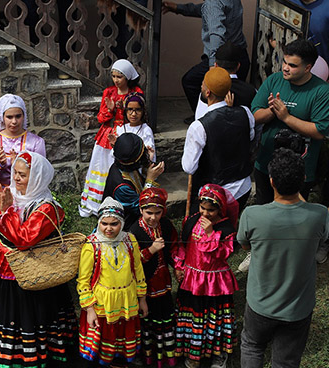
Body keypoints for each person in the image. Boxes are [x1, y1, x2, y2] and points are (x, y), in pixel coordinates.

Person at [0, 151, 77, 366]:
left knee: (25, 312)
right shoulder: (12, 193)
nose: (15, 179)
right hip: (0, 259)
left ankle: (25, 352)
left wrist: (7, 210)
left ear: (37, 178)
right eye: (15, 173)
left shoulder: (48, 208)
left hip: (31, 268)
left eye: (22, 175)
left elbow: (24, 239)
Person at [237, 148, 329, 368]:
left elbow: (244, 244)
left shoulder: (252, 215)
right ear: (303, 178)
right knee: (286, 361)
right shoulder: (320, 215)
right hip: (298, 308)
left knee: (251, 346)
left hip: (260, 304)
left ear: (271, 181)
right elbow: (321, 241)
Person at [251, 38, 329, 205]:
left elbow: (319, 131)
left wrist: (286, 117)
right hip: (266, 164)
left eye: (292, 65)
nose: (285, 68)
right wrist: (271, 111)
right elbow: (255, 117)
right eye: (284, 62)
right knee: (264, 210)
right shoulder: (274, 80)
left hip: (299, 171)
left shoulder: (321, 91)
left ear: (308, 67)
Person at [77, 196, 148, 367]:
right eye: (104, 223)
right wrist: (89, 309)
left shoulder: (130, 240)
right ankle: (105, 360)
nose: (108, 228)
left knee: (123, 333)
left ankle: (119, 359)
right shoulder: (92, 245)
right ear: (99, 222)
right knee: (105, 336)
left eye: (114, 224)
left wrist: (142, 299)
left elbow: (138, 270)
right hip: (103, 303)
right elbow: (83, 280)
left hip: (127, 299)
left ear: (122, 223)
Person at [174, 183, 239, 368]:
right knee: (193, 317)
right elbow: (183, 245)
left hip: (214, 283)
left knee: (214, 317)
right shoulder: (192, 220)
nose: (205, 213)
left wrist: (211, 233)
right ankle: (192, 352)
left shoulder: (225, 229)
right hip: (192, 279)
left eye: (211, 210)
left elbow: (222, 254)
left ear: (220, 209)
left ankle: (218, 353)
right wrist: (179, 265)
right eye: (202, 208)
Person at [182, 67, 255, 210]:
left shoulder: (199, 126)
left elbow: (189, 167)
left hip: (214, 195)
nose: (201, 86)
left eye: (203, 84)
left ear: (207, 92)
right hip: (242, 188)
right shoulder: (245, 113)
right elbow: (249, 137)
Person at [80, 59, 143, 217]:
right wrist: (110, 110)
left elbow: (138, 115)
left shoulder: (136, 93)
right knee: (102, 167)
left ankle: (122, 199)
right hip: (107, 136)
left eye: (119, 77)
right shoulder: (109, 92)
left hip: (127, 134)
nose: (115, 80)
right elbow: (101, 118)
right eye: (113, 76)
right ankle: (96, 203)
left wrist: (120, 110)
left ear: (127, 77)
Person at [162, 0, 250, 115]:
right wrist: (179, 8)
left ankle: (204, 118)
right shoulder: (215, 4)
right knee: (235, 97)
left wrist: (213, 66)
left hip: (222, 59)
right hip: (240, 56)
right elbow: (207, 10)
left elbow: (216, 34)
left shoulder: (213, 3)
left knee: (190, 81)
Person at [128, 188, 178, 368]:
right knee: (147, 319)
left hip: (164, 281)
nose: (153, 217)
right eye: (149, 212)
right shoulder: (134, 232)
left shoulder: (165, 225)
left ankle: (167, 356)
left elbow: (174, 247)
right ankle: (150, 357)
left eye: (158, 213)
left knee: (165, 316)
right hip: (145, 286)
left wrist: (178, 266)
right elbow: (131, 262)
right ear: (141, 210)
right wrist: (151, 250)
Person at [103, 133, 165, 229]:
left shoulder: (124, 165)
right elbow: (141, 207)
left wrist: (148, 162)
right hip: (124, 225)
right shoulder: (122, 186)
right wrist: (150, 180)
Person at [0, 93, 46, 187]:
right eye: (9, 117)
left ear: (24, 116)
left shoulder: (36, 142)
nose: (14, 122)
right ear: (2, 117)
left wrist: (20, 166)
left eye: (18, 116)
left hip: (26, 195)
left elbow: (40, 174)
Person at [194, 41, 257, 120]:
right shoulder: (251, 91)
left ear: (216, 65)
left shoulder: (209, 89)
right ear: (238, 66)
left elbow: (199, 119)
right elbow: (255, 122)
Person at [114, 92, 156, 161]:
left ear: (143, 111)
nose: (133, 114)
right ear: (125, 111)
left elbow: (149, 154)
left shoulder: (145, 130)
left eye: (138, 110)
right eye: (130, 109)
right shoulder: (120, 129)